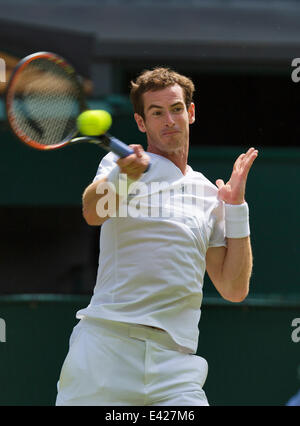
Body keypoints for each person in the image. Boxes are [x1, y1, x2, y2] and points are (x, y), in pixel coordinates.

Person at [55, 67, 258, 406]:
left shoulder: (209, 194)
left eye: (176, 109)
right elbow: (92, 212)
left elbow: (234, 288)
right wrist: (123, 177)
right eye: (156, 112)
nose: (169, 120)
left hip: (175, 367)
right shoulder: (119, 164)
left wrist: (236, 208)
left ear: (190, 113)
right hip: (106, 353)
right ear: (140, 122)